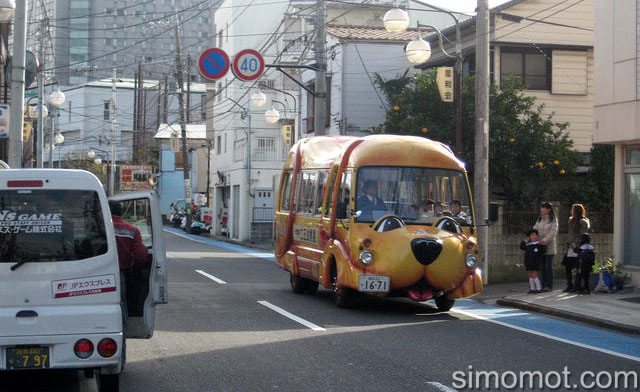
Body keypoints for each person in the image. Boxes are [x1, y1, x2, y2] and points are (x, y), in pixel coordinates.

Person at [109, 201, 148, 319]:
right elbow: (141, 255)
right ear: (121, 213)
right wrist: (135, 267)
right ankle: (122, 330)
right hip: (121, 273)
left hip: (97, 274)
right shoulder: (132, 230)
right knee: (121, 304)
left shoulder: (99, 228)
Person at [563, 204, 591, 292]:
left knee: (577, 266)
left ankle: (577, 285)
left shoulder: (583, 221)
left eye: (572, 209)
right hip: (570, 247)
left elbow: (584, 235)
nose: (571, 211)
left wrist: (578, 243)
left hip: (578, 248)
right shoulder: (571, 220)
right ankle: (569, 284)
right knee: (568, 266)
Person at [533, 201, 558, 292]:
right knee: (542, 267)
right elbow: (535, 229)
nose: (542, 210)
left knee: (548, 267)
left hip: (549, 246)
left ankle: (549, 285)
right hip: (540, 246)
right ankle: (543, 285)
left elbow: (553, 232)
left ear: (548, 210)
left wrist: (544, 240)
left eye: (543, 208)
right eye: (541, 208)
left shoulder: (553, 219)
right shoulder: (540, 219)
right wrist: (532, 237)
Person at [519, 229, 546, 294]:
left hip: (535, 262)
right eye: (532, 235)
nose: (534, 236)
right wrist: (524, 241)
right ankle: (532, 288)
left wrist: (543, 245)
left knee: (534, 274)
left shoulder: (538, 244)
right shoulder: (528, 244)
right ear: (529, 237)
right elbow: (521, 247)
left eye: (535, 235)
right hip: (528, 262)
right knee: (530, 275)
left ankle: (539, 288)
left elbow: (543, 251)